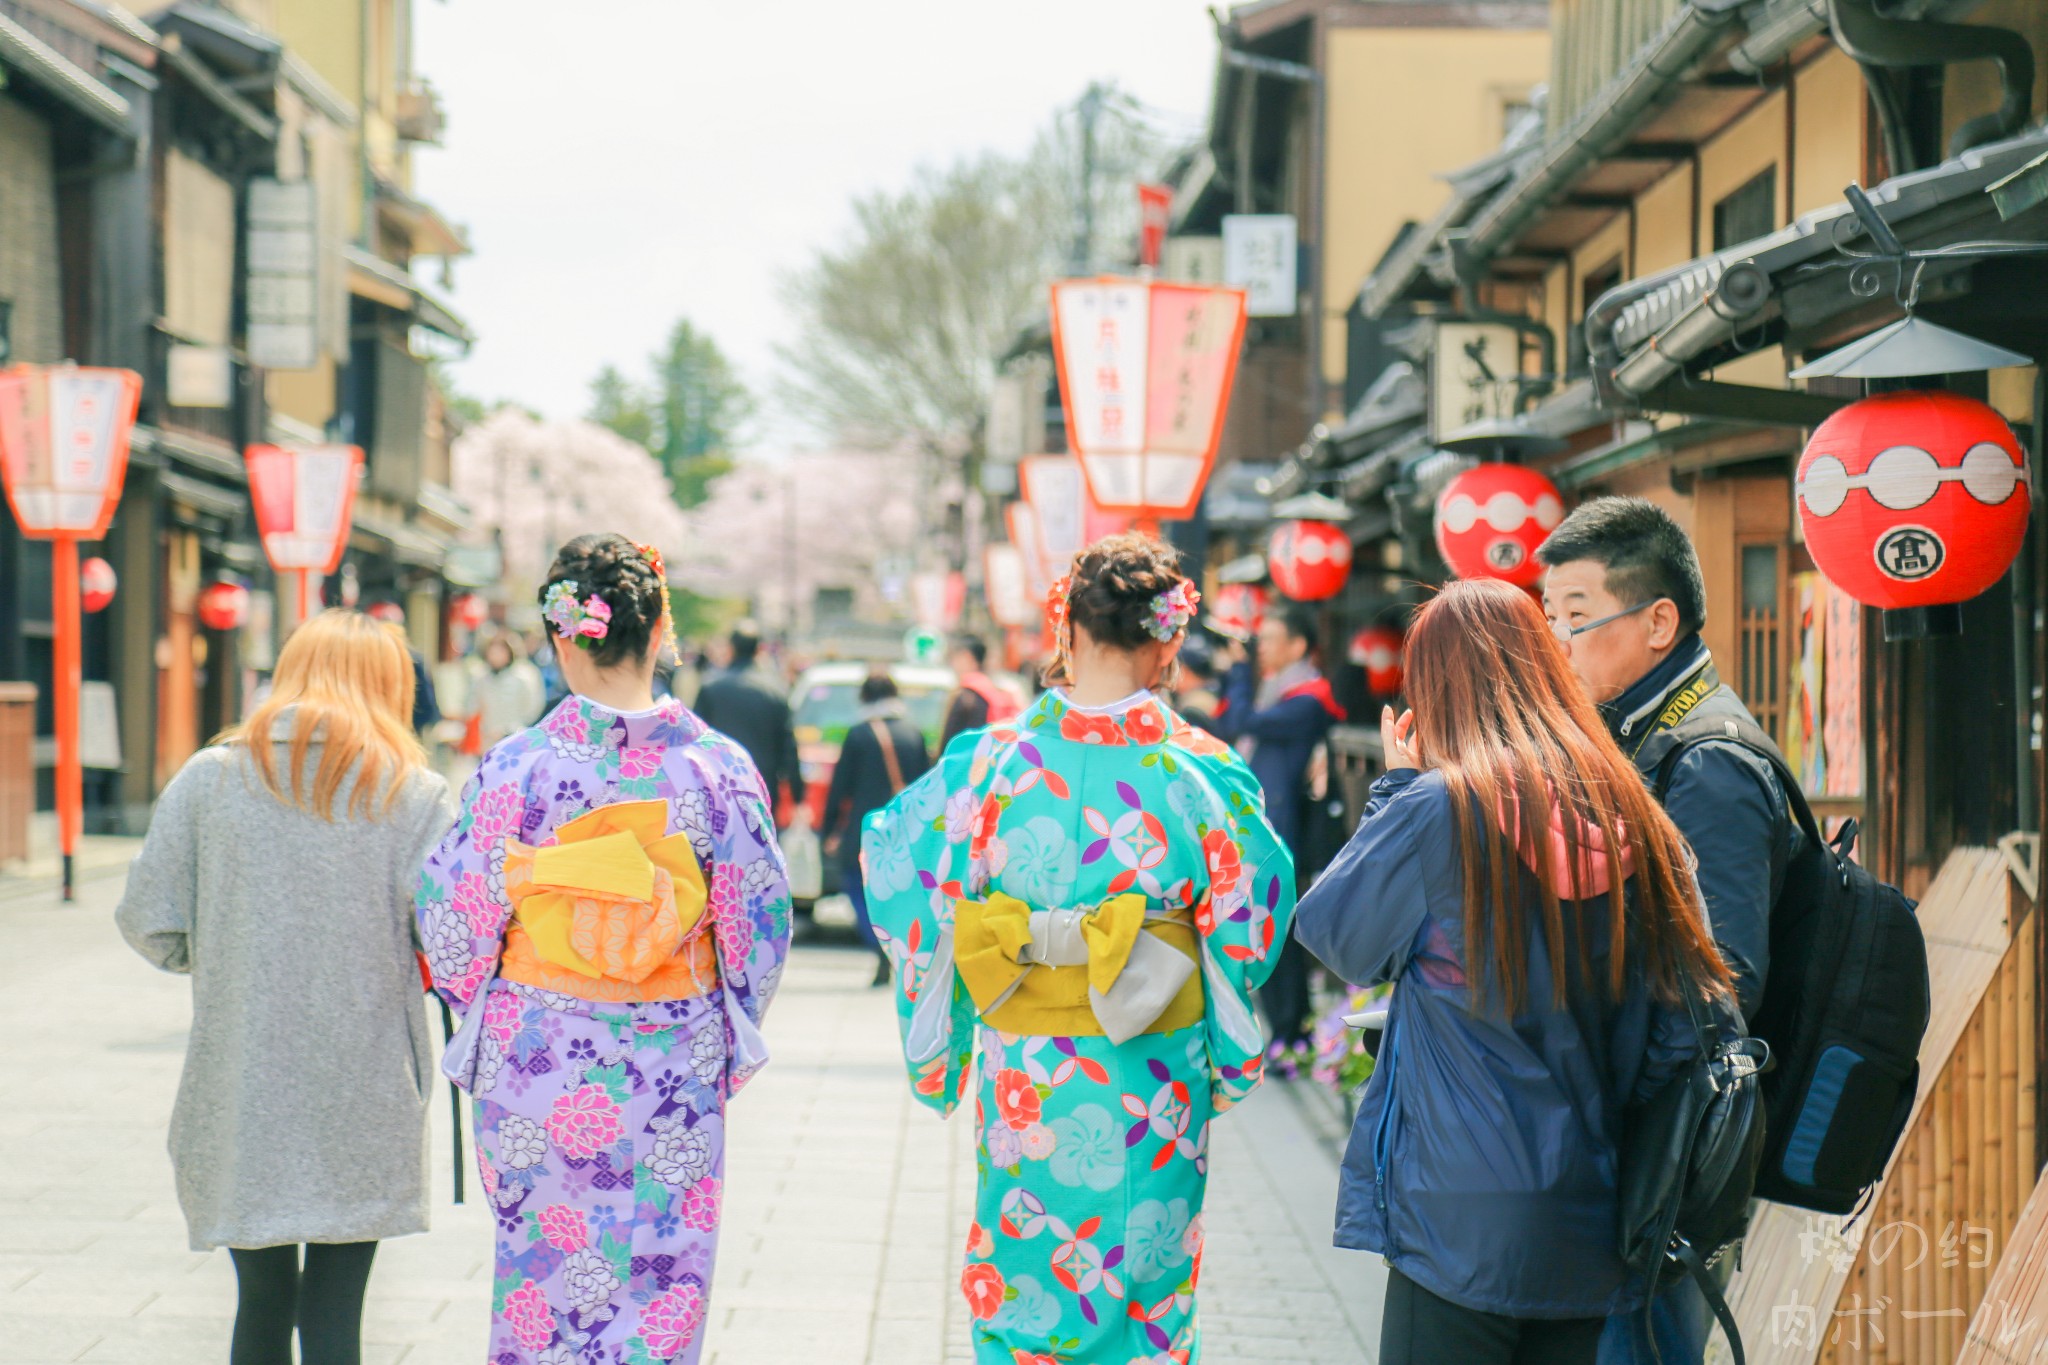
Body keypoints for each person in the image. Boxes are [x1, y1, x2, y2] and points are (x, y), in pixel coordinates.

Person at [863, 533, 1296, 1363]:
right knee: (1145, 1270)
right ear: (1167, 640)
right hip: (1150, 1064)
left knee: (1027, 1257)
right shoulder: (1200, 770)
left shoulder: (987, 763)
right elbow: (1254, 909)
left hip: (1027, 1065)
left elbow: (895, 863)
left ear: (1063, 632)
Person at [1296, 578, 1730, 1365]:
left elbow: (1336, 936)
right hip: (1587, 1210)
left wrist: (1396, 788)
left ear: (1440, 695)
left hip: (1456, 1220)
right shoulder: (1632, 813)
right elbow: (1677, 1033)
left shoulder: (1438, 810)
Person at [417, 534, 791, 1365]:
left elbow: (452, 921)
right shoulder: (717, 770)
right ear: (660, 630)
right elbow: (759, 928)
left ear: (561, 636)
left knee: (543, 1280)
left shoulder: (515, 768)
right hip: (672, 1054)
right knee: (662, 1281)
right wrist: (708, 1015)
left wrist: (488, 994)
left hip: (539, 1057)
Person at [116, 610, 453, 1365]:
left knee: (261, 1302)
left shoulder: (211, 779)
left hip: (244, 1085)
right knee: (336, 1313)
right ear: (391, 687)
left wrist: (227, 956)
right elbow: (452, 939)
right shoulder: (416, 794)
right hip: (363, 1089)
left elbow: (148, 918)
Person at [1535, 496, 1800, 1365]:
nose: (1557, 642)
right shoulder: (1642, 732)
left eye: (1575, 617)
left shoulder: (1709, 758)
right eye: (1548, 618)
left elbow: (1719, 978)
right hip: (1636, 1132)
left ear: (1658, 621)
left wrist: (1609, 1092)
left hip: (1658, 1147)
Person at [1210, 606, 1345, 1065]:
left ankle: (1293, 1035)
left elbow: (1247, 722)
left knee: (1280, 933)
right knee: (1265, 931)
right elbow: (1230, 725)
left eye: (1269, 639)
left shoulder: (1309, 697)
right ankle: (1286, 1034)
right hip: (1262, 826)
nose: (1260, 647)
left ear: (1298, 646)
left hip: (1285, 832)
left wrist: (1241, 671)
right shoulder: (1276, 690)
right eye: (1258, 639)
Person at [820, 671, 930, 985]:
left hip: (865, 830)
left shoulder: (858, 735)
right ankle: (897, 949)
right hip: (906, 831)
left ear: (865, 698)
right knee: (899, 893)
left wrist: (828, 831)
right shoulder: (914, 733)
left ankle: (880, 947)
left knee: (859, 888)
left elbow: (840, 788)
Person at [693, 619, 806, 821]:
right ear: (759, 650)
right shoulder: (775, 691)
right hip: (762, 786)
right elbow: (788, 747)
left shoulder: (711, 688)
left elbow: (693, 741)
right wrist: (798, 795)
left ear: (731, 648)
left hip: (718, 784)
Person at [938, 633, 1022, 751]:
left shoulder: (965, 697)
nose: (953, 665)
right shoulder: (996, 691)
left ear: (966, 657)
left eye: (954, 658)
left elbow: (949, 746)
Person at [470, 630, 547, 751]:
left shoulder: (524, 676)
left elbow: (533, 707)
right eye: (492, 651)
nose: (495, 655)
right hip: (488, 738)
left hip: (517, 737)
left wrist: (510, 728)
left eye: (500, 651)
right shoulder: (481, 678)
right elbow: (474, 705)